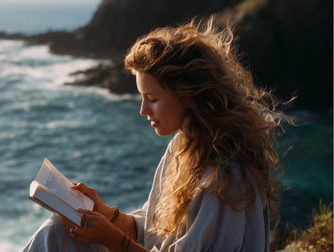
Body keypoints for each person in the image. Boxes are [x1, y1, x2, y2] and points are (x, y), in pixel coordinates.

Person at [23, 17, 287, 252]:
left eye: (152, 98)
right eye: (141, 97)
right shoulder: (183, 145)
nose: (143, 110)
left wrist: (114, 239)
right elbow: (153, 235)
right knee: (58, 229)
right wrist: (102, 212)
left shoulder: (226, 175)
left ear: (187, 93)